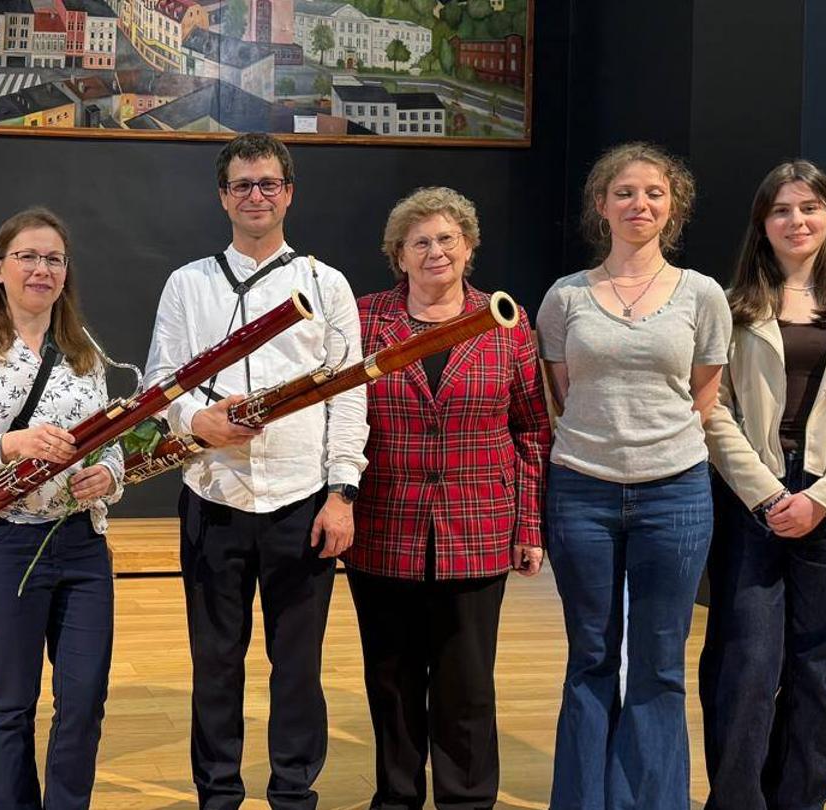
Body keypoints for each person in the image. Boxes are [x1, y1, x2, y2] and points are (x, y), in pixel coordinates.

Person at [143, 132, 368, 810]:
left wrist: (341, 493)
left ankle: (293, 792)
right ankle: (218, 793)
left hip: (300, 501)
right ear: (223, 196)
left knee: (296, 667)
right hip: (213, 495)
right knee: (215, 663)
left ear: (289, 192)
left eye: (268, 183)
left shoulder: (326, 285)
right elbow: (160, 381)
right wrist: (194, 422)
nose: (256, 195)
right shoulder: (189, 283)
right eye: (242, 184)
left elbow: (348, 394)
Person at [536, 142, 732, 810]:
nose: (638, 203)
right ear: (602, 206)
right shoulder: (565, 297)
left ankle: (650, 801)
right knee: (589, 654)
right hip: (581, 491)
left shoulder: (702, 294)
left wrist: (657, 445)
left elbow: (704, 394)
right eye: (624, 192)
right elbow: (559, 392)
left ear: (671, 207)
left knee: (659, 660)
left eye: (652, 192)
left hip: (675, 492)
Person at [699, 160, 826, 810]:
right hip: (751, 498)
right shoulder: (730, 311)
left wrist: (821, 498)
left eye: (809, 207)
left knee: (823, 663)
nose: (796, 220)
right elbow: (713, 411)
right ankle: (736, 801)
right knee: (746, 662)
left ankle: (800, 800)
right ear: (763, 223)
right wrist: (766, 493)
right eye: (781, 209)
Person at [345, 186, 550, 810]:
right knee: (391, 678)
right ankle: (397, 797)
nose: (435, 252)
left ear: (469, 248)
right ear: (398, 255)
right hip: (384, 526)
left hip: (479, 526)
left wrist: (529, 526)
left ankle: (466, 800)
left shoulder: (506, 321)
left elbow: (531, 429)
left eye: (447, 240)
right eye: (420, 243)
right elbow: (341, 415)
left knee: (466, 685)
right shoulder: (362, 319)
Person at [0, 207, 125, 810]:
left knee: (84, 695)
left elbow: (111, 442)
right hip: (7, 544)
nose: (40, 269)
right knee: (12, 699)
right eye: (27, 256)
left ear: (66, 274)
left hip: (81, 545)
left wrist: (109, 476)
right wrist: (9, 445)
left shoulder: (85, 352)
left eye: (53, 259)